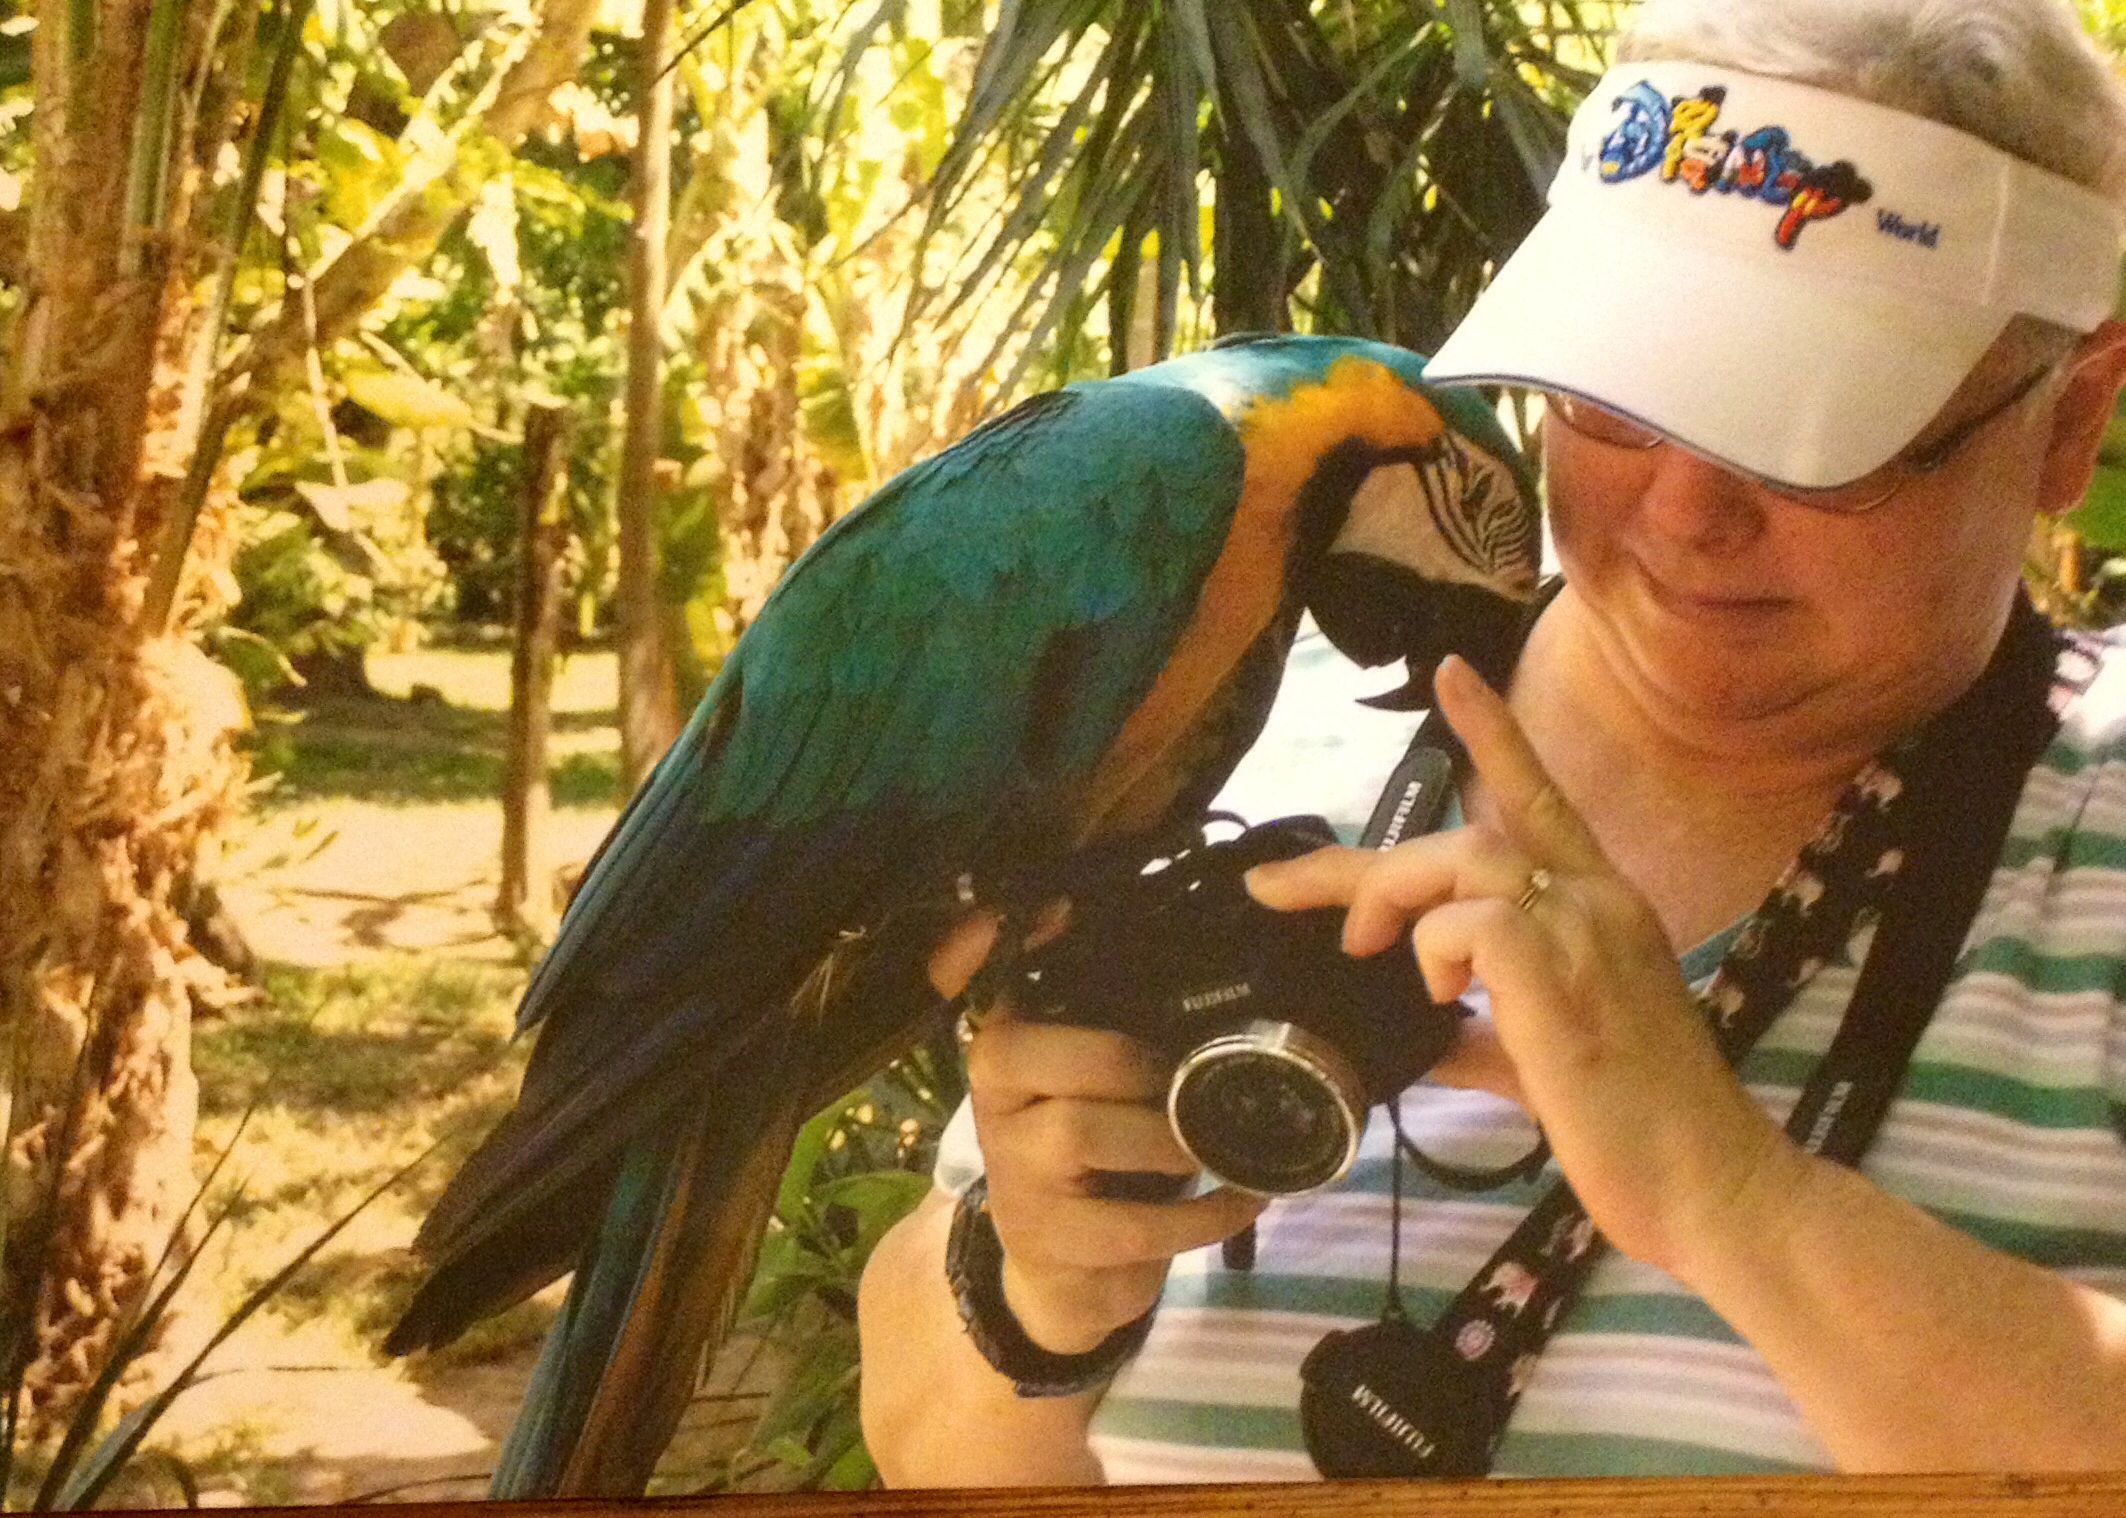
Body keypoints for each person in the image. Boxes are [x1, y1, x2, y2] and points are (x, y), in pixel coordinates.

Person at [856, 0, 2126, 1483]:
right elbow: (938, 1438)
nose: (1683, 513)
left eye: (1808, 431)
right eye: (1618, 398)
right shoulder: (1242, 743)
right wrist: (1030, 1301)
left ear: (2064, 421)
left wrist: (1728, 1191)